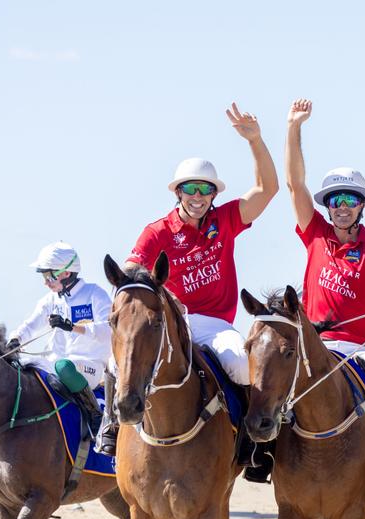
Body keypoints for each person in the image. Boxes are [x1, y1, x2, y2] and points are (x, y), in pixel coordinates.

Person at [99, 102, 278, 467]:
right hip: (168, 322)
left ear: (213, 195)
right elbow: (132, 271)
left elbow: (267, 189)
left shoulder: (226, 220)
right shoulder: (157, 232)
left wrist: (255, 141)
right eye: (190, 189)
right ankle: (110, 427)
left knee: (242, 365)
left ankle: (249, 445)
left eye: (205, 190)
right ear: (178, 193)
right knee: (114, 363)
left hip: (214, 326)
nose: (197, 196)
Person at [283, 98, 365, 490]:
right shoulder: (316, 233)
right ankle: (261, 456)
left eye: (350, 200)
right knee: (269, 386)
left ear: (361, 206)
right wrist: (294, 128)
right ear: (328, 206)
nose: (342, 207)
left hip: (358, 349)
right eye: (336, 201)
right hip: (313, 344)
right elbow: (294, 183)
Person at [9, 243, 110, 437]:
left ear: (66, 273)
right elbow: (30, 325)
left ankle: (95, 414)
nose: (45, 282)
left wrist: (72, 327)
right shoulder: (50, 299)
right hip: (53, 362)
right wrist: (16, 339)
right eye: (44, 276)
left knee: (64, 367)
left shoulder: (94, 294)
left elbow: (110, 330)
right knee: (19, 368)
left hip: (90, 366)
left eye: (49, 276)